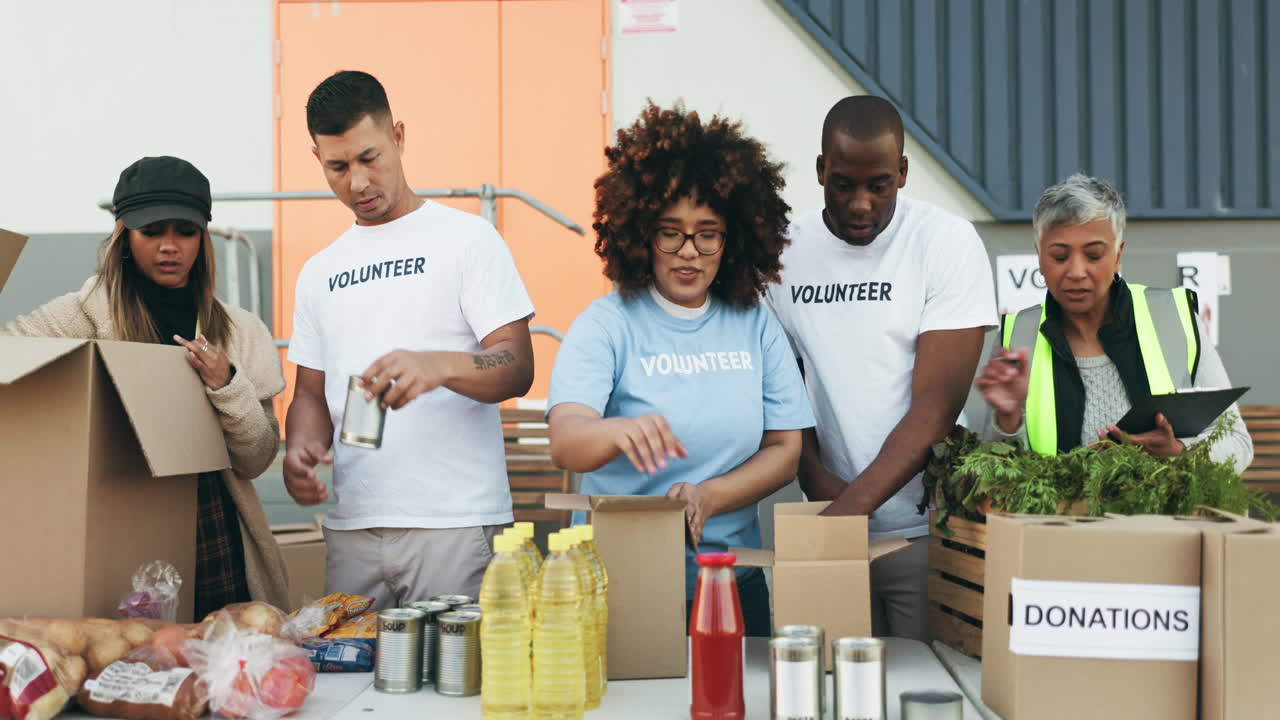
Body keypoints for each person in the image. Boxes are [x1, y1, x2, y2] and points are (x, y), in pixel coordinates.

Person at [546, 102, 815, 636]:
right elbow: (566, 439)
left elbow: (786, 451)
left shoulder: (755, 325)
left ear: (731, 237)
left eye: (707, 233)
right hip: (618, 583)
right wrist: (615, 429)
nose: (688, 252)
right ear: (641, 234)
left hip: (731, 582)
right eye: (671, 232)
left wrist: (708, 496)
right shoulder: (606, 325)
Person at [283, 70, 535, 607]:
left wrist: (439, 366)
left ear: (398, 136)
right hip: (354, 528)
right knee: (348, 687)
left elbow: (516, 364)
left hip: (455, 527)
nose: (357, 182)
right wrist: (301, 447)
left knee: (456, 689)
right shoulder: (319, 271)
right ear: (318, 159)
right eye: (338, 166)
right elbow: (309, 392)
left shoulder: (468, 241)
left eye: (370, 158)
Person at [1, 156, 290, 618]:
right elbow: (9, 357)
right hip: (118, 523)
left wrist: (227, 383)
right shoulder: (80, 314)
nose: (169, 246)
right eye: (152, 231)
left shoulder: (240, 330)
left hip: (213, 530)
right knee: (130, 666)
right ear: (124, 237)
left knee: (223, 671)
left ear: (205, 237)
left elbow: (256, 459)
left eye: (185, 231)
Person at [764, 96, 997, 641]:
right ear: (821, 169)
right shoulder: (781, 255)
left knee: (925, 688)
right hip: (826, 520)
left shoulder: (945, 242)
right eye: (843, 184)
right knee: (827, 692)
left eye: (879, 185)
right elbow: (783, 396)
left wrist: (849, 510)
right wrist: (825, 498)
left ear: (903, 173)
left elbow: (934, 408)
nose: (861, 203)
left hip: (926, 532)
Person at [975, 174, 1253, 469]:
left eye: (1094, 255)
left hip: (1160, 516)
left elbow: (1237, 444)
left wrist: (1178, 451)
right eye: (1059, 257)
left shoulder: (1175, 318)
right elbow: (993, 471)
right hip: (1057, 516)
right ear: (1040, 258)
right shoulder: (1017, 336)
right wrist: (1007, 419)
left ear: (1118, 255)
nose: (1077, 272)